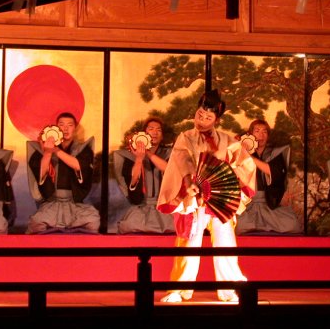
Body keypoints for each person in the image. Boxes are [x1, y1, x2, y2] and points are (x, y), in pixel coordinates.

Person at [156, 89, 256, 303]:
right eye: (199, 115)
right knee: (189, 242)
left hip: (220, 198)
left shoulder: (228, 141)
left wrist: (229, 178)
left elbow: (245, 165)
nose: (202, 120)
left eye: (208, 117)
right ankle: (179, 289)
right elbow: (182, 159)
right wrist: (189, 181)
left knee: (225, 243)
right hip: (195, 197)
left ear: (216, 120)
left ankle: (230, 289)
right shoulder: (186, 137)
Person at [26, 112, 100, 234]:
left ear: (75, 128)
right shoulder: (42, 148)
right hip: (52, 202)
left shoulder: (83, 149)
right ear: (56, 128)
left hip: (74, 203)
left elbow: (78, 165)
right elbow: (41, 173)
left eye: (70, 125)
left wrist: (55, 150)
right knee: (37, 223)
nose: (65, 129)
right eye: (61, 125)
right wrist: (48, 153)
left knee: (92, 221)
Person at [235, 119, 302, 234]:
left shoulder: (276, 153)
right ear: (250, 134)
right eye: (257, 131)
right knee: (239, 226)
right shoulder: (241, 153)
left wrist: (249, 156)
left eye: (264, 132)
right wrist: (238, 149)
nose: (261, 135)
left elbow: (271, 170)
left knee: (292, 224)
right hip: (248, 203)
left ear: (268, 136)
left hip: (269, 202)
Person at [113, 117, 175, 233]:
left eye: (159, 130)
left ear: (162, 136)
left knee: (175, 226)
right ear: (143, 134)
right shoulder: (129, 156)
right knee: (131, 226)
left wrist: (147, 152)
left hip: (165, 207)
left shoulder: (170, 153)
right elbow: (133, 182)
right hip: (142, 208)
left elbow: (170, 170)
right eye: (151, 129)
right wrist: (139, 159)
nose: (155, 132)